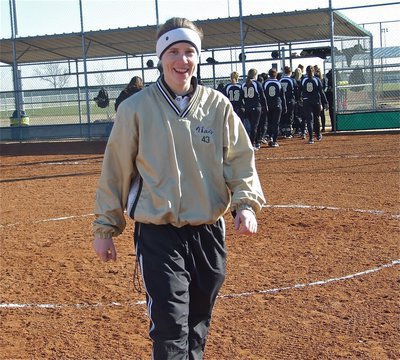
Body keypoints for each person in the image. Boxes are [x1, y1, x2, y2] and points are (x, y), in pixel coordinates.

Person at [92, 17, 266, 360]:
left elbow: (239, 160)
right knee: (171, 325)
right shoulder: (135, 109)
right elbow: (115, 171)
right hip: (159, 233)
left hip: (208, 232)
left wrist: (245, 204)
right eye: (173, 51)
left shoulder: (218, 107)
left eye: (189, 51)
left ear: (198, 57)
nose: (181, 60)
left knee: (198, 320)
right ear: (161, 57)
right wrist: (105, 227)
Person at [300, 65, 328, 144]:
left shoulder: (303, 80)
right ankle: (318, 135)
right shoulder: (316, 79)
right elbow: (321, 92)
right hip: (316, 101)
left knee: (309, 120)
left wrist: (300, 99)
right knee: (316, 118)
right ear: (313, 71)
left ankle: (311, 138)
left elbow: (300, 90)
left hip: (306, 101)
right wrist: (325, 102)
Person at [242, 68, 267, 150]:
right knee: (254, 127)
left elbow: (241, 97)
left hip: (247, 107)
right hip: (256, 107)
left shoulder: (244, 84)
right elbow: (262, 96)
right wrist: (265, 106)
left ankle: (256, 142)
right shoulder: (257, 83)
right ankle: (253, 144)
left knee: (253, 127)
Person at [263, 68, 286, 148]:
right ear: (276, 75)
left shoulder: (265, 83)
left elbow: (263, 95)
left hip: (268, 105)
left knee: (269, 122)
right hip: (277, 104)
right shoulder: (278, 83)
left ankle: (270, 137)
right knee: (276, 123)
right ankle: (275, 141)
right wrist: (284, 106)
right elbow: (282, 96)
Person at [280, 65, 298, 138]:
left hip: (282, 100)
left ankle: (283, 131)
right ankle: (288, 132)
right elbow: (296, 90)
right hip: (290, 99)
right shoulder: (291, 80)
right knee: (290, 115)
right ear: (290, 72)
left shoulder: (280, 80)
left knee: (283, 115)